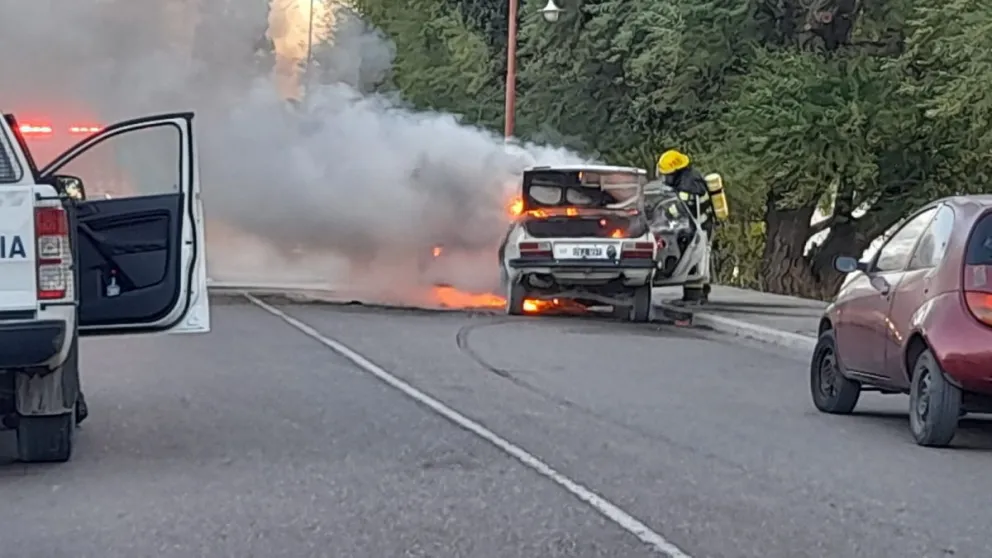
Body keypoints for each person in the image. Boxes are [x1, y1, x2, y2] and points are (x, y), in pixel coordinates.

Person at [657, 149, 716, 303]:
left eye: (667, 174)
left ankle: (694, 296)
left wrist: (665, 212)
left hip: (700, 227)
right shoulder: (687, 178)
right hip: (697, 225)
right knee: (696, 259)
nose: (665, 177)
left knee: (695, 259)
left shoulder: (688, 183)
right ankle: (699, 293)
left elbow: (682, 207)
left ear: (675, 171)